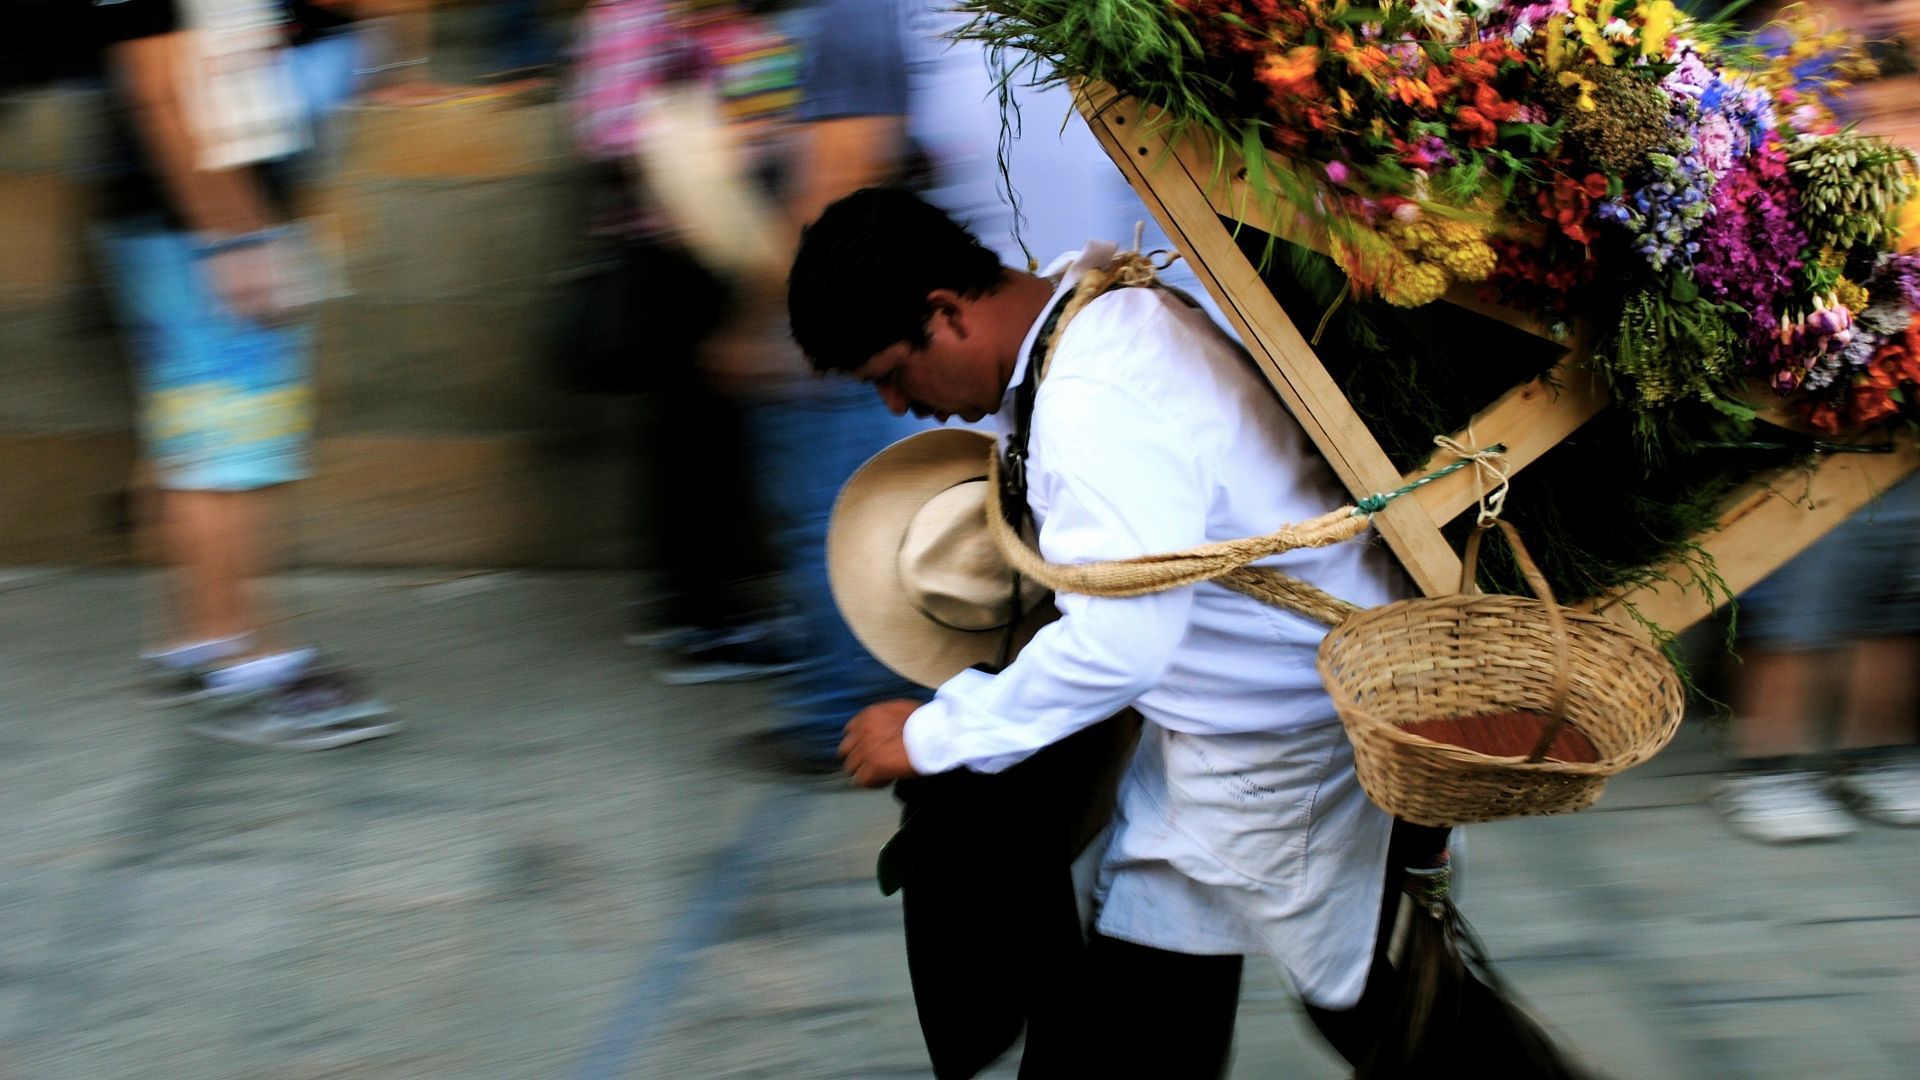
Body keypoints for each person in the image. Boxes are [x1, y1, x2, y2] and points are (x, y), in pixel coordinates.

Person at [791, 186, 1549, 1076]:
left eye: (889, 373)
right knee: (1181, 1010)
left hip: (1280, 748)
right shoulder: (1091, 307)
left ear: (946, 313)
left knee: (1373, 1007)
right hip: (1239, 737)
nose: (893, 405)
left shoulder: (1093, 394)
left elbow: (1121, 645)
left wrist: (929, 736)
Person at [87, 0, 398, 749]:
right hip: (202, 231)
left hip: (191, 224)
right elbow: (162, 92)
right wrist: (238, 240)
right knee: (230, 447)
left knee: (195, 441)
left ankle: (191, 640)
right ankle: (248, 663)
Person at [1714, 475, 1920, 842]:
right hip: (1816, 455)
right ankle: (1768, 771)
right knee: (1801, 602)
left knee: (1894, 602)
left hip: (1904, 454)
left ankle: (1875, 758)